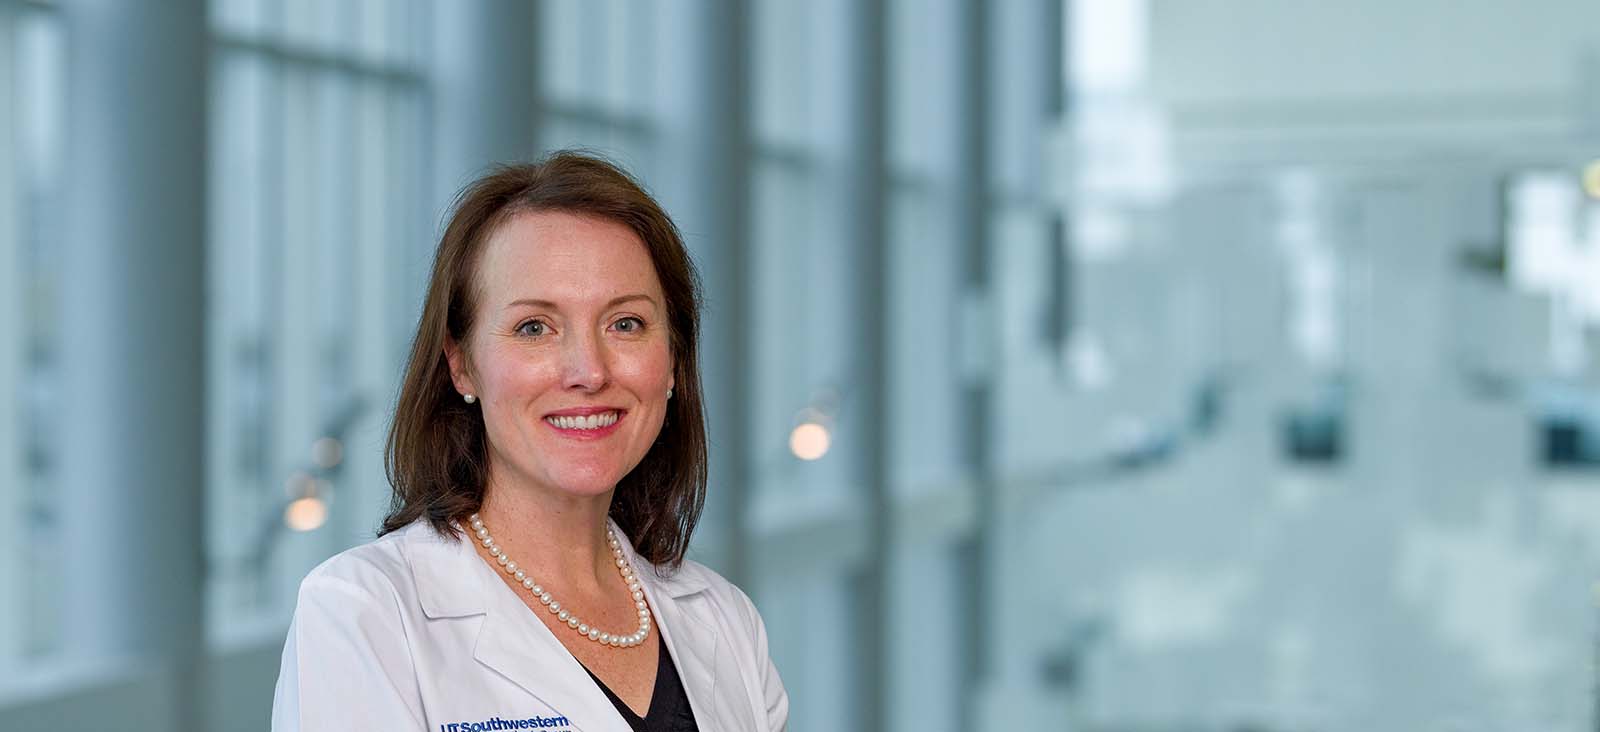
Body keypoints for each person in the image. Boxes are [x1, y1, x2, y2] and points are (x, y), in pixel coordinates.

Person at [271, 152, 789, 732]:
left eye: (626, 323)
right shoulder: (365, 614)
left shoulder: (726, 621)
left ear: (672, 360)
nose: (589, 371)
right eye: (534, 328)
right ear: (461, 364)